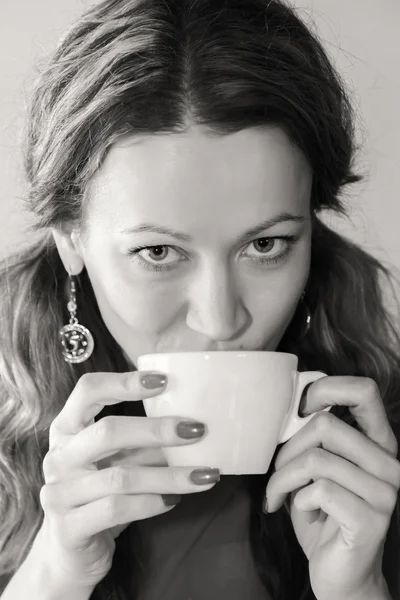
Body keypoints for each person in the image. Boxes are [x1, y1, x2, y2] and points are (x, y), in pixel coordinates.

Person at [0, 0, 399, 598]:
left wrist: (359, 587)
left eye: (266, 244)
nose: (220, 319)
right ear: (70, 241)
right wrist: (55, 574)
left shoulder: (380, 452)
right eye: (158, 252)